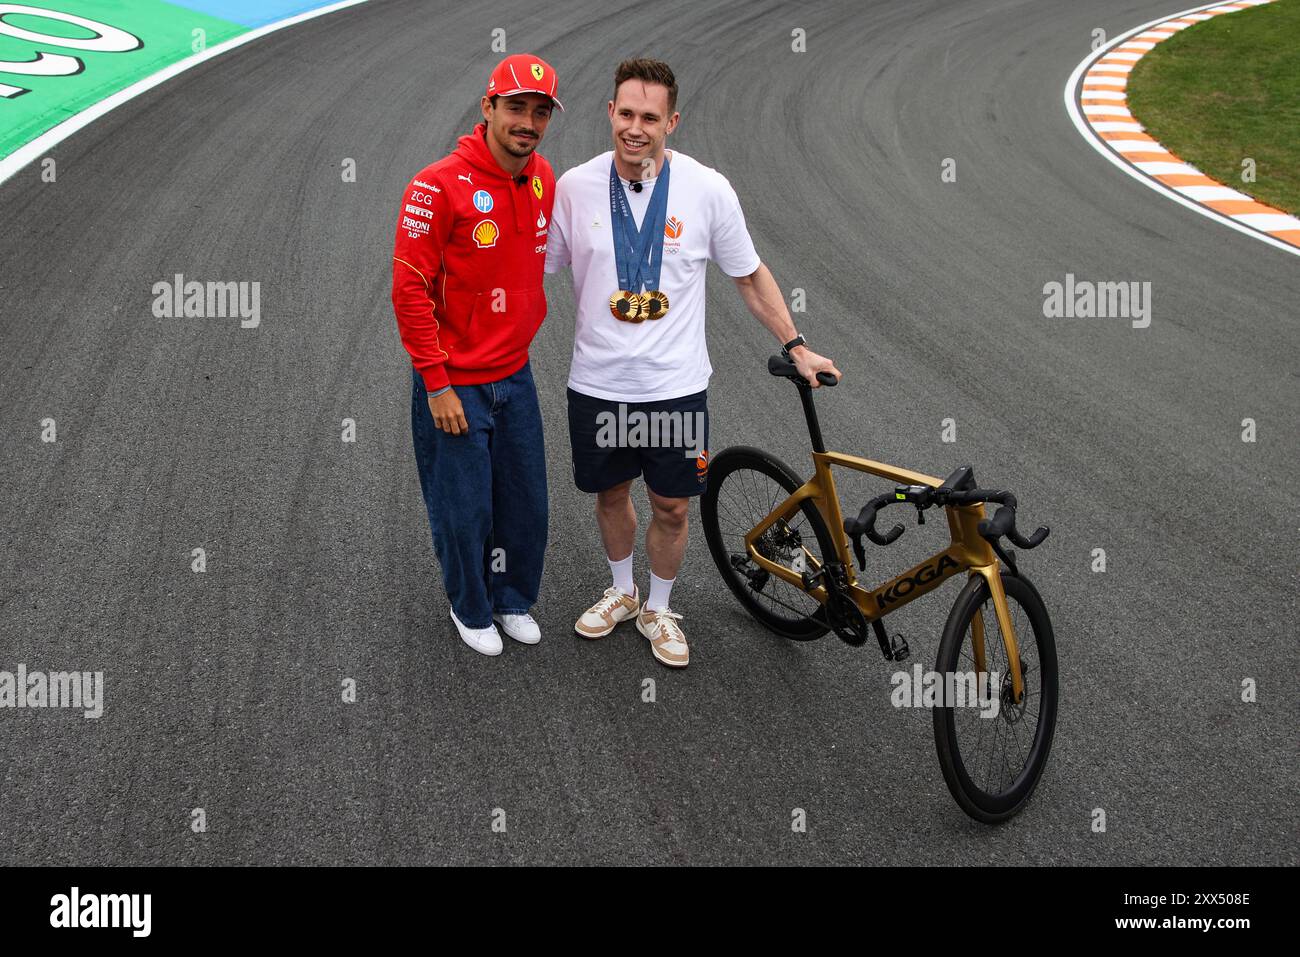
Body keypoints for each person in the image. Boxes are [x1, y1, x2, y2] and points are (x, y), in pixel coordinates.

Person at [544, 58, 839, 668]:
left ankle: (658, 605)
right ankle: (622, 591)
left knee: (673, 504)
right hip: (597, 384)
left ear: (671, 122)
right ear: (610, 113)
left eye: (649, 117)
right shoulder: (573, 187)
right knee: (610, 493)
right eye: (625, 113)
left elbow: (750, 276)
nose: (635, 128)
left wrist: (796, 344)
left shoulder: (707, 189)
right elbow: (532, 273)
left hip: (675, 389)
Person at [391, 54, 562, 656]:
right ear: (487, 108)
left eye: (540, 112)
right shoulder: (435, 184)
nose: (528, 122)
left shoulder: (542, 176)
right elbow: (408, 287)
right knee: (463, 510)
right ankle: (469, 606)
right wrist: (435, 383)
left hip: (515, 374)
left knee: (525, 504)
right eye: (516, 108)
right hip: (455, 382)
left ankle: (512, 597)